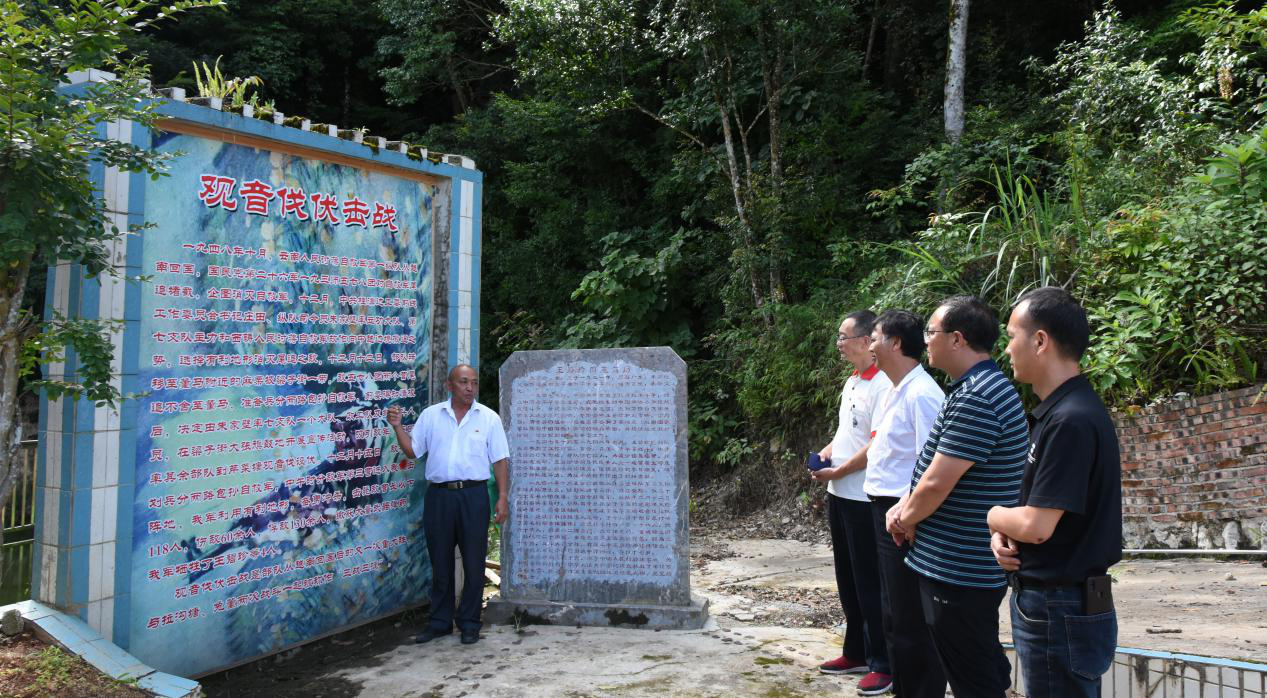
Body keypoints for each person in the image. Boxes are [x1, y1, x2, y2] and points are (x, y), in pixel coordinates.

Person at [885, 295, 1028, 697]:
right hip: (955, 562)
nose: (925, 340)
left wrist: (904, 518)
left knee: (974, 678)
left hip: (960, 568)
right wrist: (907, 508)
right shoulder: (973, 388)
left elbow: (937, 482)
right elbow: (933, 471)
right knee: (977, 665)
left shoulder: (978, 396)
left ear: (957, 339)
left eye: (931, 332)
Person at [988, 286, 1122, 698]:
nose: (1007, 349)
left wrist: (993, 516)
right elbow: (1042, 515)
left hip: (1058, 607)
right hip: (1061, 604)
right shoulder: (1064, 412)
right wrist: (1004, 534)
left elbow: (1038, 525)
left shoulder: (1070, 420)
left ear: (1040, 341)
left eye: (1012, 336)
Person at [387, 364, 510, 646]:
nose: (470, 387)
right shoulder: (431, 416)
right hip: (439, 497)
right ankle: (440, 622)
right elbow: (412, 451)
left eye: (474, 382)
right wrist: (397, 427)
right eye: (464, 382)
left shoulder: (488, 418)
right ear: (449, 385)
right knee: (440, 561)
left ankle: (470, 623)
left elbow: (500, 459)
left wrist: (502, 497)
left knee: (474, 562)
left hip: (474, 496)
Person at [862, 309, 946, 698]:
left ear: (895, 343)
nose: (870, 347)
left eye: (875, 338)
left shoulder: (923, 394)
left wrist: (909, 515)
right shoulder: (897, 389)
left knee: (910, 616)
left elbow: (931, 467)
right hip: (887, 511)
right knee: (894, 611)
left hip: (907, 517)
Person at [811, 310, 893, 695]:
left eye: (843, 337)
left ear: (865, 341)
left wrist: (840, 471)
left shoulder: (884, 385)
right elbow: (847, 433)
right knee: (847, 579)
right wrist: (827, 454)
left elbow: (876, 444)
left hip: (864, 497)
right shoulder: (852, 381)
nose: (839, 344)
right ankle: (856, 651)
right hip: (839, 494)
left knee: (870, 582)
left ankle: (883, 662)